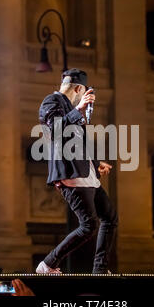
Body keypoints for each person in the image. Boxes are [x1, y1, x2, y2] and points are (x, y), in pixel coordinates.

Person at [36, 68, 118, 274]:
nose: (83, 98)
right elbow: (53, 131)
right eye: (83, 94)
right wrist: (79, 108)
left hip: (85, 172)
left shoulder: (72, 109)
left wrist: (95, 162)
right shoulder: (51, 101)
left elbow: (76, 141)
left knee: (109, 217)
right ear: (79, 89)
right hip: (70, 175)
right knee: (89, 225)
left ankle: (100, 269)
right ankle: (48, 264)